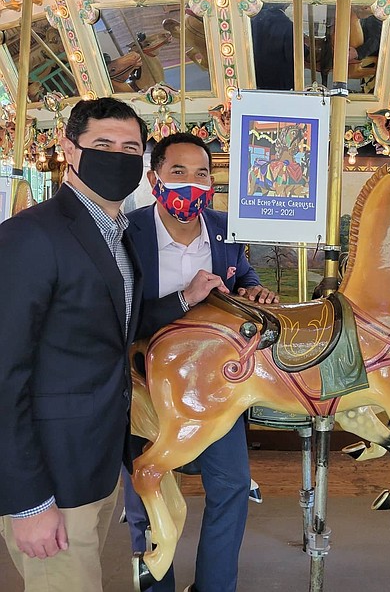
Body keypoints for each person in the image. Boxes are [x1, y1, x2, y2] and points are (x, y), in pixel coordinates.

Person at [0, 98, 225, 592]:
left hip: (100, 465)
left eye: (129, 147)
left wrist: (185, 299)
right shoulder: (31, 237)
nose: (117, 156)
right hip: (52, 480)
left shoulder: (116, 235)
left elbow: (111, 324)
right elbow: (4, 373)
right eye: (103, 144)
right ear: (69, 149)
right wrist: (27, 501)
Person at [123, 132, 278, 592]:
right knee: (146, 494)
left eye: (202, 174)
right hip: (145, 385)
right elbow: (118, 316)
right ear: (155, 180)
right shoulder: (127, 235)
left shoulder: (224, 229)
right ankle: (156, 586)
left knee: (231, 486)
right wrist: (184, 299)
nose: (192, 183)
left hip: (214, 385)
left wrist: (254, 291)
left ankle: (216, 585)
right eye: (178, 173)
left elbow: (242, 274)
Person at [251, 3, 295, 91]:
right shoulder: (287, 25)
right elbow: (291, 55)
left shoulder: (254, 20)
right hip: (279, 80)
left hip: (256, 76)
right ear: (285, 4)